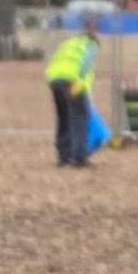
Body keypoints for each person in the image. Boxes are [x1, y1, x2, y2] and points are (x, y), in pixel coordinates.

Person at [42, 15, 98, 170]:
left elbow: (55, 59)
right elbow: (86, 64)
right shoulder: (91, 45)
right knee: (80, 118)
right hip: (72, 81)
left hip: (55, 79)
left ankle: (63, 155)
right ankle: (79, 157)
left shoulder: (69, 43)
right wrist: (79, 84)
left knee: (63, 117)